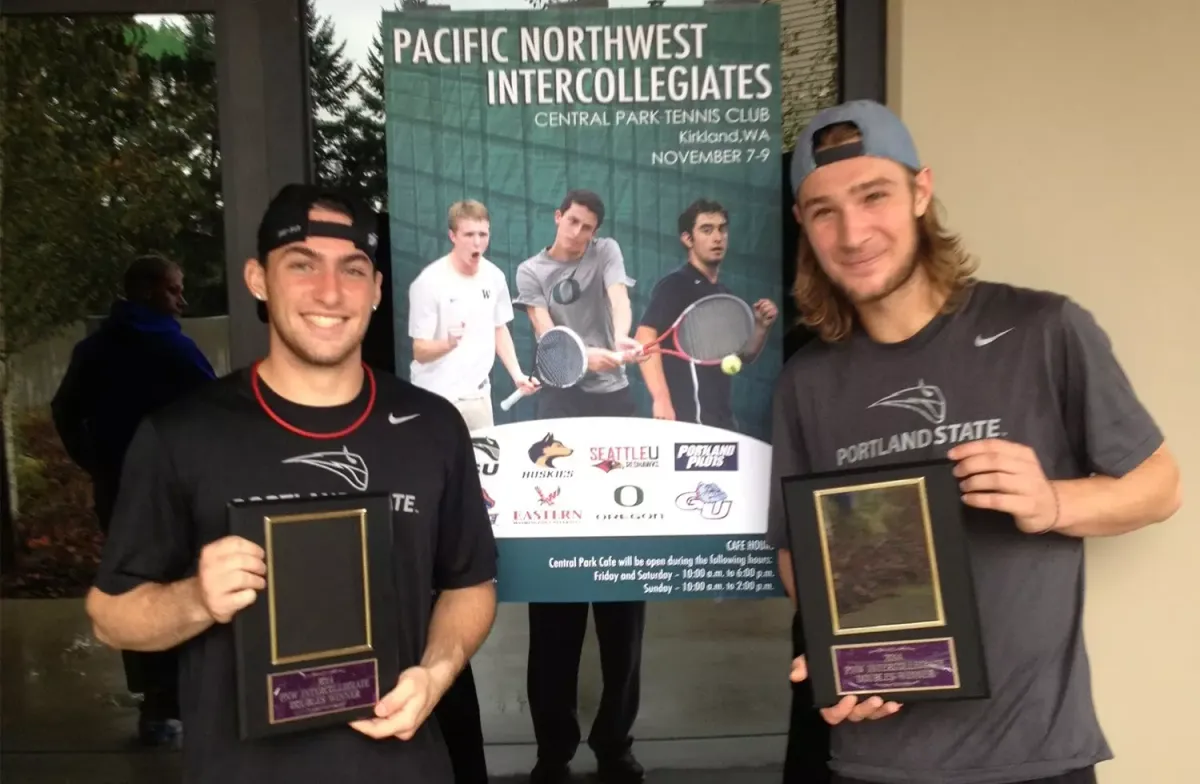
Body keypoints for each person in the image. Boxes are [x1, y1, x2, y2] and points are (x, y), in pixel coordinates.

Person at [767, 99, 1183, 784]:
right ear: (804, 228)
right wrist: (846, 648)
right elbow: (794, 549)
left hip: (1035, 756)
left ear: (921, 192)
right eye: (824, 211)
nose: (853, 232)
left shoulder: (1044, 330)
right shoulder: (805, 380)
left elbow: (1160, 486)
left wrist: (1052, 501)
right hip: (874, 762)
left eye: (874, 197)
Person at [84, 184, 499, 784]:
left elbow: (470, 585)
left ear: (378, 290)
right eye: (301, 264)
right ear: (258, 278)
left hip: (404, 767)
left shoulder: (432, 428)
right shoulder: (183, 434)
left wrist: (435, 673)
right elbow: (109, 616)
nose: (329, 292)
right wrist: (196, 599)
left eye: (353, 270)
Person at [52, 253, 216, 747]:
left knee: (132, 585)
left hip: (118, 488)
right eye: (173, 290)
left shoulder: (94, 349)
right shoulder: (174, 350)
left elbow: (65, 410)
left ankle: (156, 703)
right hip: (176, 492)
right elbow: (214, 413)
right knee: (184, 587)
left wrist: (94, 462)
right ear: (147, 292)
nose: (182, 300)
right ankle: (179, 700)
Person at [512, 189, 646, 784]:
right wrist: (586, 354)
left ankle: (615, 744)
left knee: (624, 603)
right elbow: (546, 338)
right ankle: (553, 753)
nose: (580, 235)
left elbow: (618, 298)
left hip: (618, 410)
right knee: (556, 606)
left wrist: (619, 343)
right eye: (573, 223)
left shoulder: (606, 251)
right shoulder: (530, 271)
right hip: (559, 411)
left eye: (588, 228)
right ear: (555, 217)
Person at [634, 199, 779, 429]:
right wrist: (661, 399)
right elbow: (645, 337)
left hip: (723, 423)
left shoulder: (724, 294)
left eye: (722, 229)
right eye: (707, 229)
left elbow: (743, 355)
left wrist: (761, 326)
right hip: (687, 422)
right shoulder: (676, 285)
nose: (717, 237)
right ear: (687, 239)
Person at [408, 199, 538, 430]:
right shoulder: (428, 282)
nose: (477, 242)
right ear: (453, 236)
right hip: (435, 398)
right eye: (468, 235)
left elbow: (499, 328)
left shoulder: (495, 277)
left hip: (478, 399)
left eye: (483, 234)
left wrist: (517, 375)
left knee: (480, 466)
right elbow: (420, 351)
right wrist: (447, 344)